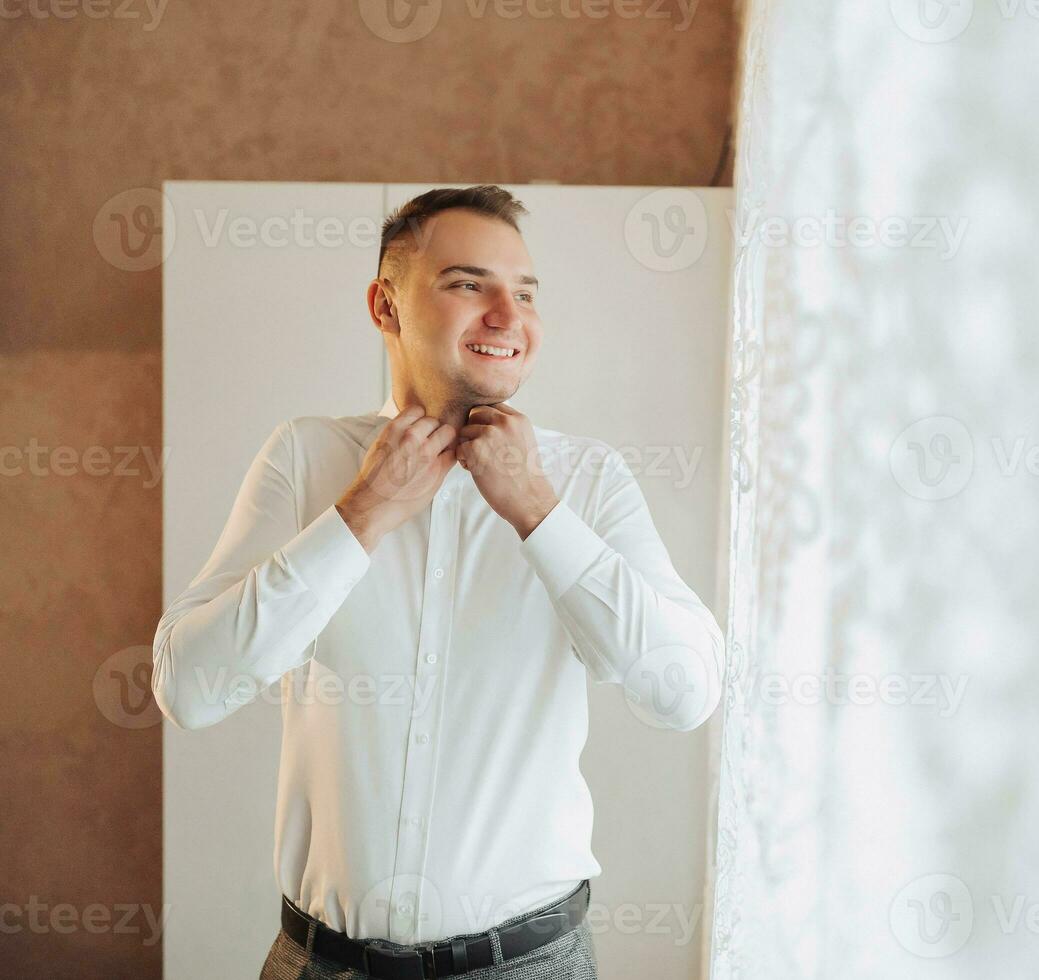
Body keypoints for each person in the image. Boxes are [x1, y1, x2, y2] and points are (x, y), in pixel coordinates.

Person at [151, 185, 725, 979]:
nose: (507, 314)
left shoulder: (587, 481)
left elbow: (686, 690)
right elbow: (189, 688)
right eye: (468, 284)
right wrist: (361, 514)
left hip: (528, 965)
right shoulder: (305, 458)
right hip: (321, 965)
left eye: (524, 293)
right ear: (385, 306)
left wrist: (537, 512)